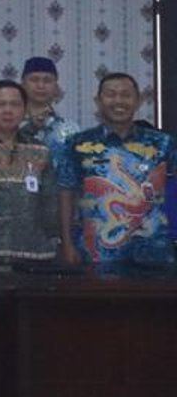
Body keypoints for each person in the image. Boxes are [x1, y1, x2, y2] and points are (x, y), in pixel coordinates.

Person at [55, 72, 174, 274]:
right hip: (97, 254)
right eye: (111, 94)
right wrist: (67, 243)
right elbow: (66, 193)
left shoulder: (163, 143)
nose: (118, 100)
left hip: (155, 251)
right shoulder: (77, 143)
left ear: (138, 101)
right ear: (98, 100)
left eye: (126, 94)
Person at [0, 79, 59, 262]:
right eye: (0, 104)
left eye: (15, 104)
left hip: (36, 254)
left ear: (24, 110)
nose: (8, 110)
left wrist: (55, 237)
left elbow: (50, 202)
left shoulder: (41, 150)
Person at [17, 56, 79, 164]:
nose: (41, 86)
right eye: (34, 80)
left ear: (56, 87)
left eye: (47, 80)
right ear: (22, 85)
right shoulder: (11, 124)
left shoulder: (71, 129)